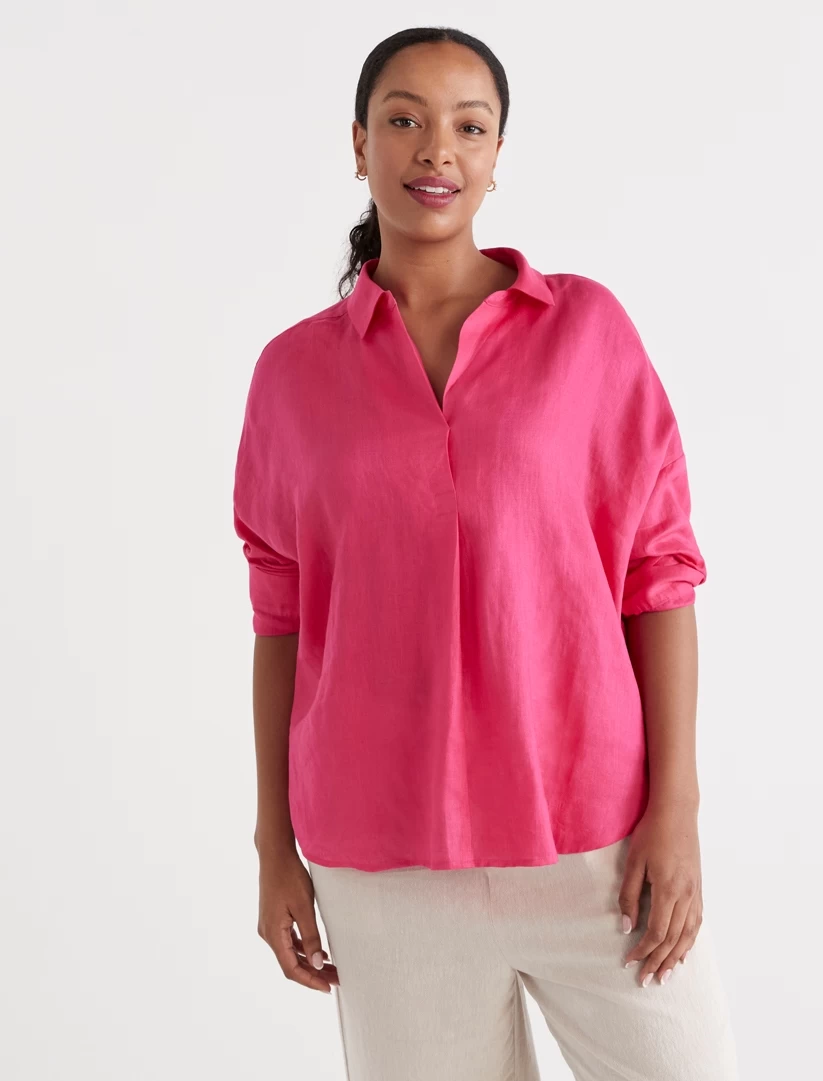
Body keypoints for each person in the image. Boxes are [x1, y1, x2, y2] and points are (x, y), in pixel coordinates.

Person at [232, 24, 739, 1081]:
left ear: (498, 155)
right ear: (359, 143)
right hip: (385, 861)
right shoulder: (291, 376)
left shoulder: (584, 331)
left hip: (594, 842)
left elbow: (658, 573)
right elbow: (281, 617)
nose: (436, 150)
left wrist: (677, 811)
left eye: (469, 126)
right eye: (404, 119)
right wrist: (274, 845)